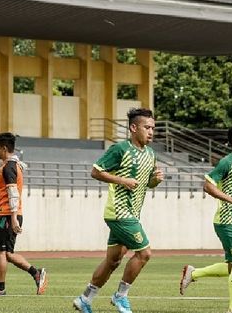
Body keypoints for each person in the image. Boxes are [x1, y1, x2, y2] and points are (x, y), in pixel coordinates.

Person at [73, 107, 164, 313]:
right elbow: (96, 171)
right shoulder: (120, 149)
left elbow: (145, 183)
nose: (150, 132)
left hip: (132, 213)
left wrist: (155, 181)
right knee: (144, 253)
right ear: (133, 128)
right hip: (119, 212)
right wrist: (121, 180)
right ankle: (120, 296)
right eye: (146, 127)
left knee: (113, 260)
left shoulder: (150, 154)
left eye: (153, 128)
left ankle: (85, 299)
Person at [179, 123, 232, 313]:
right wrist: (231, 200)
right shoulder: (227, 162)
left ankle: (193, 273)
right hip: (227, 220)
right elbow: (208, 185)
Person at [0, 132, 48, 296]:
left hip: (8, 215)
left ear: (3, 148)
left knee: (0, 252)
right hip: (6, 213)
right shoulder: (11, 166)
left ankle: (0, 288)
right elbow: (4, 195)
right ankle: (36, 274)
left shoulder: (9, 167)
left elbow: (13, 193)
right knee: (7, 254)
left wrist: (14, 218)